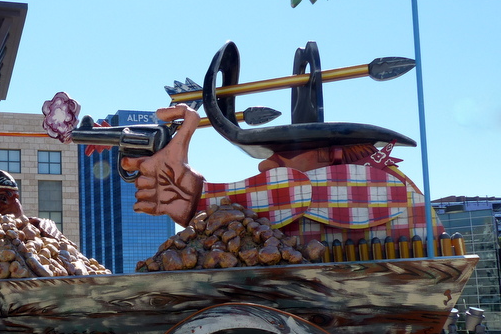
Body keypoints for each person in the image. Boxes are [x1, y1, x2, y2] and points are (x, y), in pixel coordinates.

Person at [120, 103, 444, 247]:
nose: (264, 166)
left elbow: (292, 191)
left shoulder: (379, 186)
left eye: (284, 153)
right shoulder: (307, 214)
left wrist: (196, 197)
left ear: (329, 154)